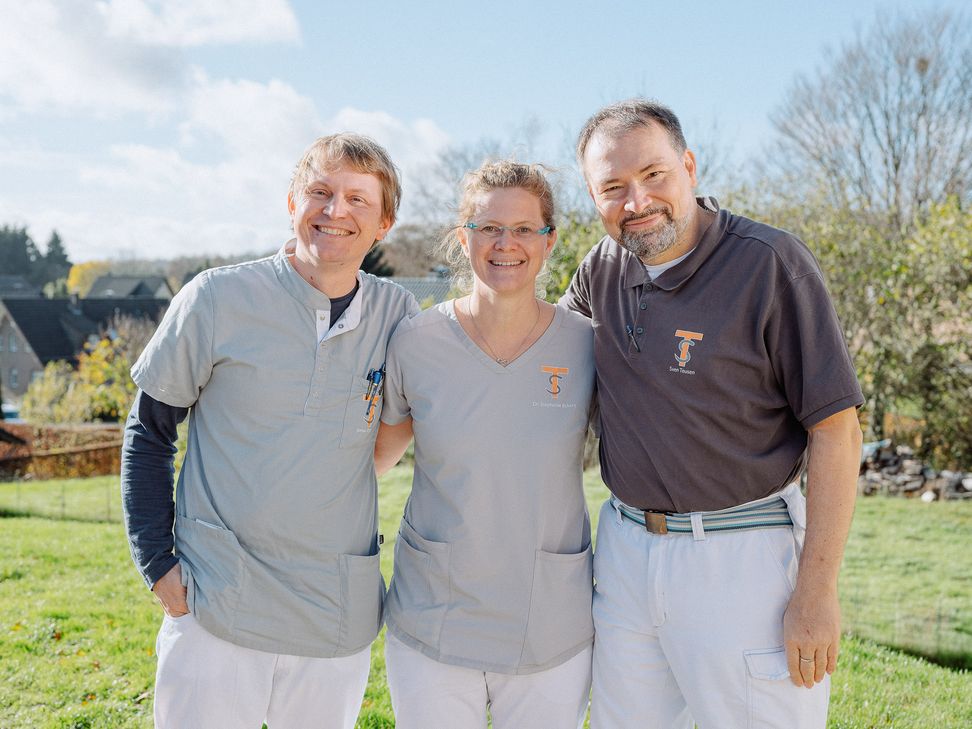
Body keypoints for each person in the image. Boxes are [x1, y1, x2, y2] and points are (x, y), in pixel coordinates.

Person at [561, 99, 864, 729]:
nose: (637, 201)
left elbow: (836, 431)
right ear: (593, 197)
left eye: (654, 175)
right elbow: (543, 362)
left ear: (689, 166)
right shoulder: (600, 269)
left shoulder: (770, 263)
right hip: (625, 554)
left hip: (743, 559)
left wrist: (816, 592)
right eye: (612, 187)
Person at [120, 133, 419, 729]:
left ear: (384, 222)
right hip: (216, 601)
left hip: (335, 614)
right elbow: (148, 432)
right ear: (291, 203)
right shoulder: (216, 297)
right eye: (320, 192)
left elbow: (389, 438)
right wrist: (158, 564)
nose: (336, 211)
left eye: (359, 199)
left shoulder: (398, 315)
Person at [374, 160, 596, 729]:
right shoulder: (416, 341)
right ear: (461, 237)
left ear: (549, 241)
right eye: (488, 227)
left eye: (524, 228)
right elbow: (372, 462)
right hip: (434, 615)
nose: (506, 244)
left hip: (549, 618)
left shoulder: (586, 346)